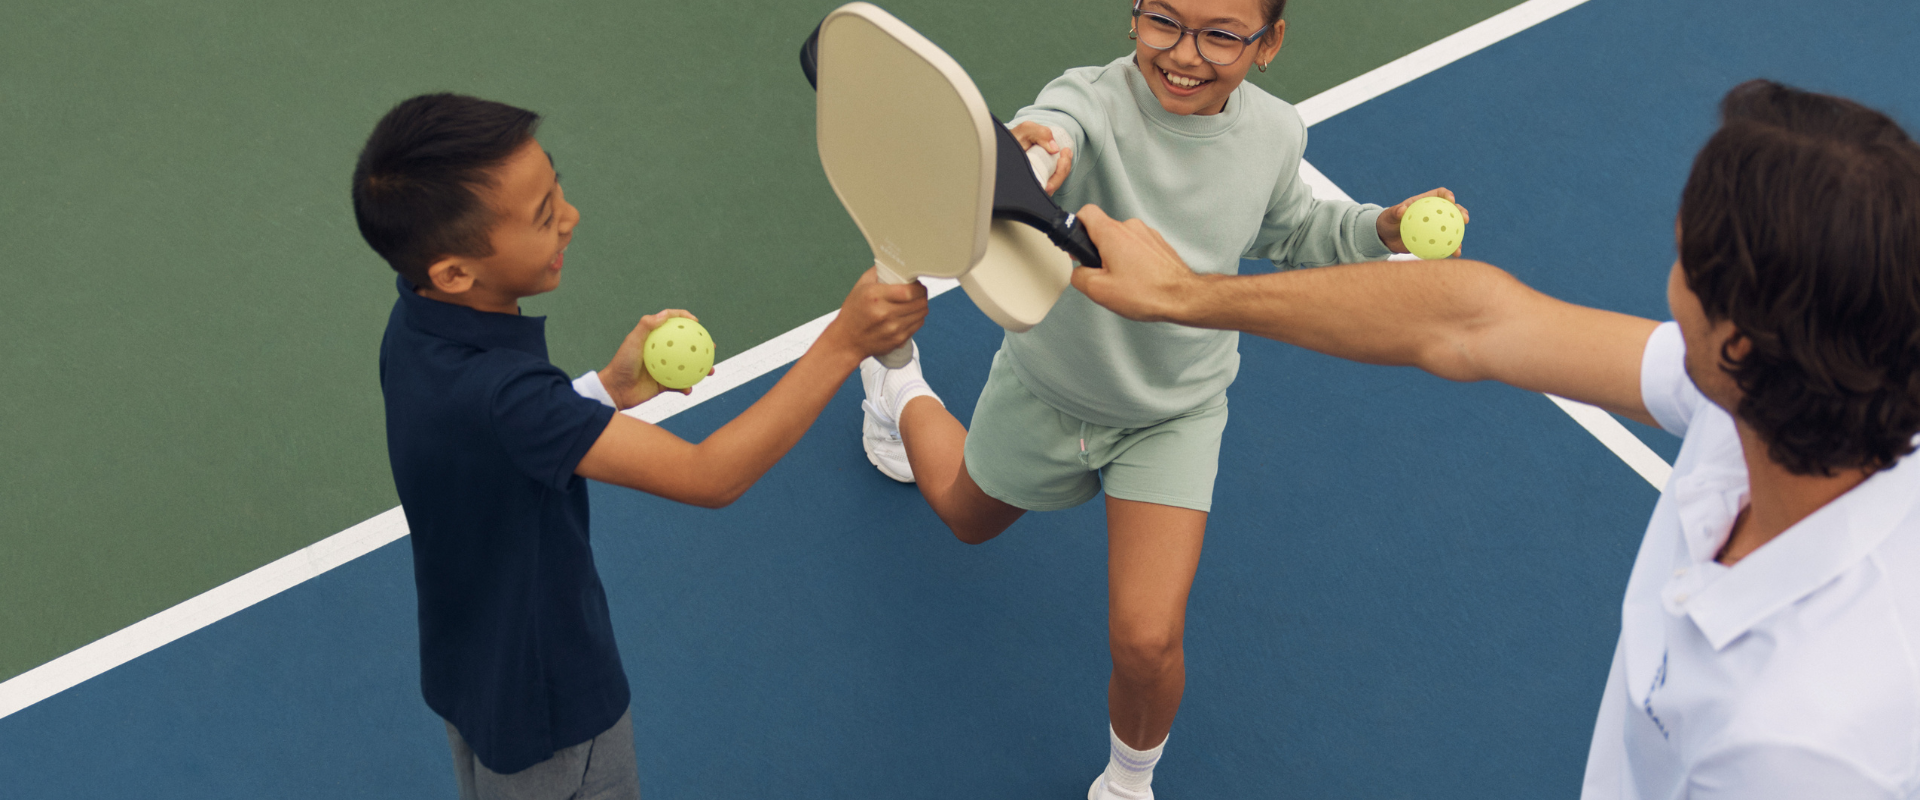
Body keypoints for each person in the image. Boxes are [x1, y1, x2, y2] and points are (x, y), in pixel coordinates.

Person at [1068, 79, 1920, 798]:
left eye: (1682, 260)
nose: (1669, 280)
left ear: (1736, 339)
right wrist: (1186, 295)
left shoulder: (1798, 745)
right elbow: (1473, 320)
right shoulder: (1776, 394)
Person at [853, 1, 1462, 796]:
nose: (1184, 53)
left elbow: (1293, 227)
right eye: (1162, 22)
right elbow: (1050, 129)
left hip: (1174, 414)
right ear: (1133, 15)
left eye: (1220, 34)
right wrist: (1035, 154)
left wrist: (1382, 227)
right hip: (1049, 388)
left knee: (1147, 638)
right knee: (965, 519)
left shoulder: (1276, 133)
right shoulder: (1091, 101)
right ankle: (897, 385)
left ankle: (1128, 782)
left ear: (1269, 42)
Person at [352, 93, 927, 800]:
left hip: (470, 670)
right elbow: (708, 475)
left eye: (555, 187)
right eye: (542, 216)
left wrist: (603, 392)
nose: (570, 215)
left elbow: (498, 442)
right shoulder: (511, 399)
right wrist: (845, 343)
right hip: (552, 706)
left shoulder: (416, 330)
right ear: (454, 272)